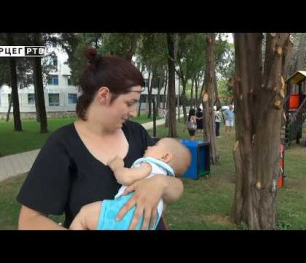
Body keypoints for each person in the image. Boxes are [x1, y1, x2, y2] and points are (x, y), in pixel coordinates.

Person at [16, 47, 184, 230]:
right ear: (104, 95)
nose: (134, 112)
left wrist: (161, 184)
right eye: (129, 103)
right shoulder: (63, 144)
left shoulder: (137, 133)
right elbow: (29, 221)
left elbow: (176, 187)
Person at [69, 137, 191, 230]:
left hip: (126, 214)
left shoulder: (150, 165)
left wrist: (118, 166)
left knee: (84, 215)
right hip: (145, 224)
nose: (149, 146)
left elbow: (126, 178)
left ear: (165, 157)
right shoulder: (165, 174)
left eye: (155, 145)